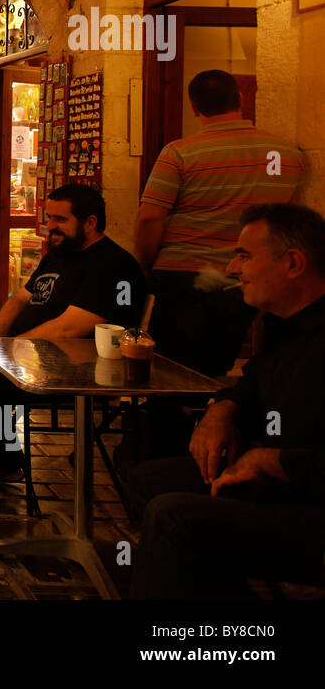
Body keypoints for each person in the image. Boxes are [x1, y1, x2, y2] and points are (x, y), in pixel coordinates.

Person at [129, 204, 325, 599]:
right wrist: (222, 410)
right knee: (147, 479)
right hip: (280, 484)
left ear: (292, 263)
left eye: (245, 255)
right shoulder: (282, 323)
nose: (233, 269)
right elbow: (251, 384)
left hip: (312, 505)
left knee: (173, 519)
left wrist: (271, 461)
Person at [0, 184, 146, 487]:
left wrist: (5, 350)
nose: (50, 227)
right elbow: (20, 298)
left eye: (60, 219)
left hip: (74, 362)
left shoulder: (112, 265)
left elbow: (70, 327)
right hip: (30, 351)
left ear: (90, 222)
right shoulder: (60, 253)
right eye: (48, 217)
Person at [134, 70, 303, 380]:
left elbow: (150, 217)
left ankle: (173, 425)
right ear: (240, 99)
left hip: (183, 274)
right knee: (216, 369)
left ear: (194, 108)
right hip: (245, 276)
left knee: (168, 372)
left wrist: (145, 263)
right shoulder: (285, 154)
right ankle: (210, 419)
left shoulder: (179, 153)